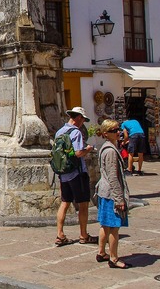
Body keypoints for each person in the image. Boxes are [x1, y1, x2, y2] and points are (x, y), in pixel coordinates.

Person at [55, 106, 98, 247]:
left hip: (64, 173)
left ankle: (60, 234)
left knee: (65, 202)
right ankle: (83, 235)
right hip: (77, 173)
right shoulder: (76, 133)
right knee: (83, 204)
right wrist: (88, 149)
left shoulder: (59, 132)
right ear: (78, 118)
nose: (83, 123)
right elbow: (78, 153)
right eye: (83, 120)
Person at [95, 119, 131, 269]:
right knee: (114, 227)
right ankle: (113, 258)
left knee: (105, 224)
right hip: (110, 193)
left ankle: (101, 252)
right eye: (114, 130)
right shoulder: (110, 151)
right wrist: (119, 199)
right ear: (105, 134)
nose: (118, 132)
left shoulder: (107, 147)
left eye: (118, 129)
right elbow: (113, 176)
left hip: (104, 191)